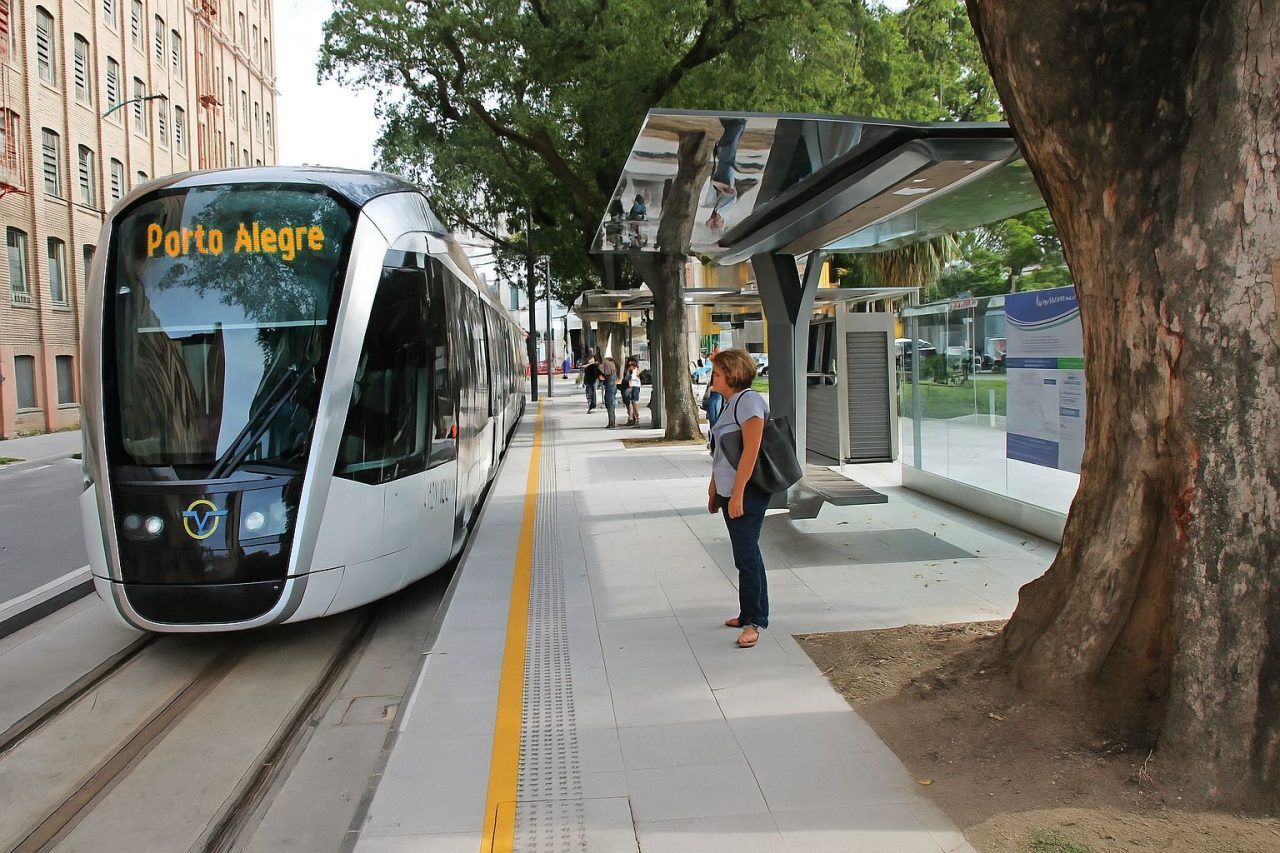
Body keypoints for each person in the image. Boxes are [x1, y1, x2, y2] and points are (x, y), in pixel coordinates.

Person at [706, 349, 769, 649]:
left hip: (748, 491)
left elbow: (751, 451)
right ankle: (748, 613)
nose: (712, 378)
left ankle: (755, 621)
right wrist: (714, 489)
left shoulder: (749, 401)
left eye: (717, 373)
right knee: (745, 554)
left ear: (732, 375)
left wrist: (738, 493)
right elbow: (721, 452)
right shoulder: (731, 403)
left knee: (747, 555)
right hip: (730, 490)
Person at [598, 356, 619, 428]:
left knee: (609, 403)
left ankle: (611, 423)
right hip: (611, 384)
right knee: (610, 402)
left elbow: (601, 371)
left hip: (610, 385)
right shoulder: (612, 365)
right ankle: (611, 422)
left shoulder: (606, 364)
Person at [623, 358, 642, 425]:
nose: (631, 366)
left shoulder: (636, 370)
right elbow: (626, 379)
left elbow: (632, 378)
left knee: (634, 401)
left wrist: (630, 372)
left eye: (632, 364)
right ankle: (632, 416)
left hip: (635, 386)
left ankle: (636, 415)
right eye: (630, 364)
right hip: (630, 386)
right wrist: (628, 372)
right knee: (630, 402)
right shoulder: (628, 370)